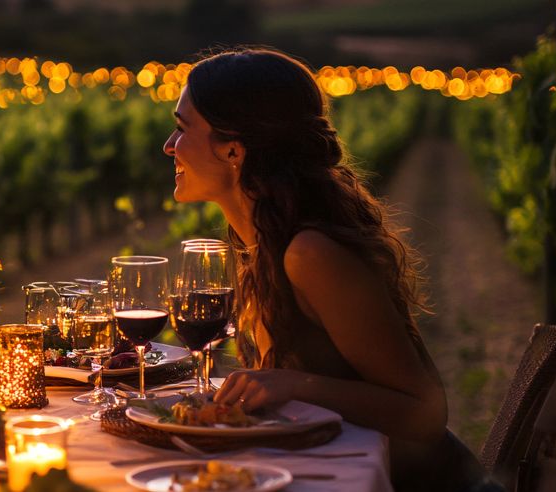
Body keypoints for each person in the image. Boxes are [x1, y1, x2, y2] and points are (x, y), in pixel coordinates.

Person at [162, 48, 484, 490]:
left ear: (234, 149)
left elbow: (424, 413)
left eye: (181, 129)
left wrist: (295, 384)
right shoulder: (259, 243)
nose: (168, 145)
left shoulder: (309, 254)